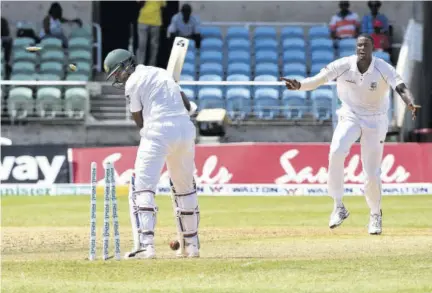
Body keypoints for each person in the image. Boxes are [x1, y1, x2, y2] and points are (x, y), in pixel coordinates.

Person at [281, 34, 420, 235]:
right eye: (359, 45)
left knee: (371, 173)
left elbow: (400, 86)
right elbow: (318, 80)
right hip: (350, 115)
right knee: (336, 151)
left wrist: (410, 102)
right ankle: (339, 206)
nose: (362, 48)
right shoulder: (344, 64)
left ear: (373, 49)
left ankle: (375, 215)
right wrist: (300, 85)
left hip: (376, 119)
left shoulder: (382, 67)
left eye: (366, 45)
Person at [103, 49, 200, 259]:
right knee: (184, 188)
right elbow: (186, 104)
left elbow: (138, 119)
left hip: (158, 130)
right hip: (185, 129)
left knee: (141, 187)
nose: (118, 78)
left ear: (128, 64)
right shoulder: (162, 73)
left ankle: (145, 246)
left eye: (118, 72)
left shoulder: (133, 82)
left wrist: (149, 132)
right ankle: (191, 246)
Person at [136, 1, 166, 66]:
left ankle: (152, 65)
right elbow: (139, 3)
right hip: (143, 21)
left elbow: (163, 5)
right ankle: (140, 66)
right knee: (142, 44)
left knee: (154, 46)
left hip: (156, 22)